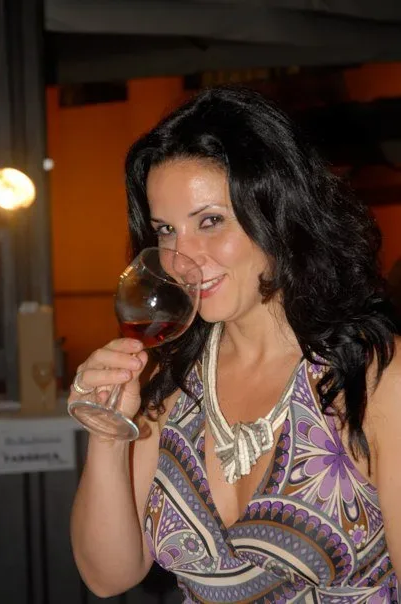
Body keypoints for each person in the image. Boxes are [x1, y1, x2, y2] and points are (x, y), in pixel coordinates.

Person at [69, 86, 401, 603]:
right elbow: (108, 576)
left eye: (210, 221)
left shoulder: (376, 376)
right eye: (166, 230)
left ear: (278, 212)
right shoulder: (169, 378)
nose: (182, 258)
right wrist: (108, 435)